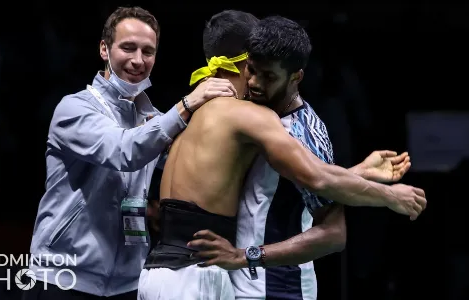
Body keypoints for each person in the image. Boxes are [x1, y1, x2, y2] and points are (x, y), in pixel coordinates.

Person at [137, 11, 424, 300]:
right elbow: (309, 178)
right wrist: (383, 192)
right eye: (252, 70)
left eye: (268, 75)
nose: (256, 83)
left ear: (296, 77)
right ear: (244, 62)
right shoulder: (244, 116)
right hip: (211, 274)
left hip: (269, 285)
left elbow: (324, 209)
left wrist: (365, 179)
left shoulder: (190, 113)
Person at [21, 6, 237, 300]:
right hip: (63, 278)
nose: (138, 60)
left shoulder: (153, 119)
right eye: (128, 48)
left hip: (128, 282)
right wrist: (187, 104)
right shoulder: (74, 109)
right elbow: (124, 150)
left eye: (148, 51)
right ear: (104, 49)